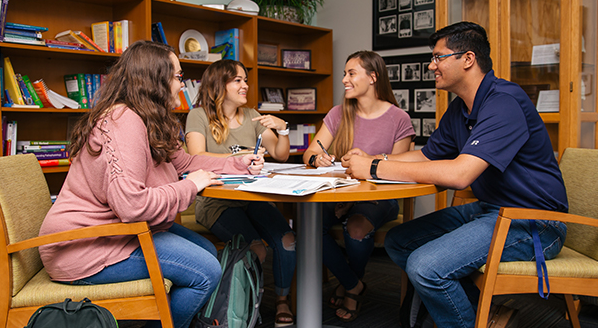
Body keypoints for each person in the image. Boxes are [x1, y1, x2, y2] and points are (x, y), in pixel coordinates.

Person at [342, 22, 568, 328]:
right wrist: (375, 157)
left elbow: (461, 174)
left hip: (534, 221)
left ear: (468, 59)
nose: (431, 65)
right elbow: (426, 154)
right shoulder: (460, 108)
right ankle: (482, 316)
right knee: (398, 241)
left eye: (438, 57)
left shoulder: (504, 103)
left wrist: (373, 168)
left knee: (425, 267)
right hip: (491, 209)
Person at [38, 41, 264, 328]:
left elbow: (183, 163)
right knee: (206, 271)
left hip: (117, 233)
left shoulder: (148, 118)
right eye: (178, 77)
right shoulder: (123, 121)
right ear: (156, 80)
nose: (182, 86)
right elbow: (132, 205)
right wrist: (189, 187)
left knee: (208, 252)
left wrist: (237, 163)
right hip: (85, 246)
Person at [303, 50, 415, 322]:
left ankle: (350, 286)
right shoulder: (337, 113)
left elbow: (400, 168)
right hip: (338, 196)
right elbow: (308, 154)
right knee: (308, 226)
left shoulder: (398, 118)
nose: (344, 79)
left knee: (356, 228)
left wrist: (369, 161)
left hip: (380, 198)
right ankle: (353, 283)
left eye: (351, 73)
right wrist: (317, 158)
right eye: (344, 73)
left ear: (373, 77)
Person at [184, 59, 295, 327]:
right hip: (217, 203)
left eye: (245, 80)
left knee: (288, 240)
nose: (245, 85)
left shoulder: (253, 116)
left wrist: (283, 128)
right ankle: (244, 306)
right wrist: (242, 157)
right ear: (219, 85)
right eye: (238, 80)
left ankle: (282, 300)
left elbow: (280, 153)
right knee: (256, 248)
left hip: (252, 198)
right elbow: (196, 158)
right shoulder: (198, 116)